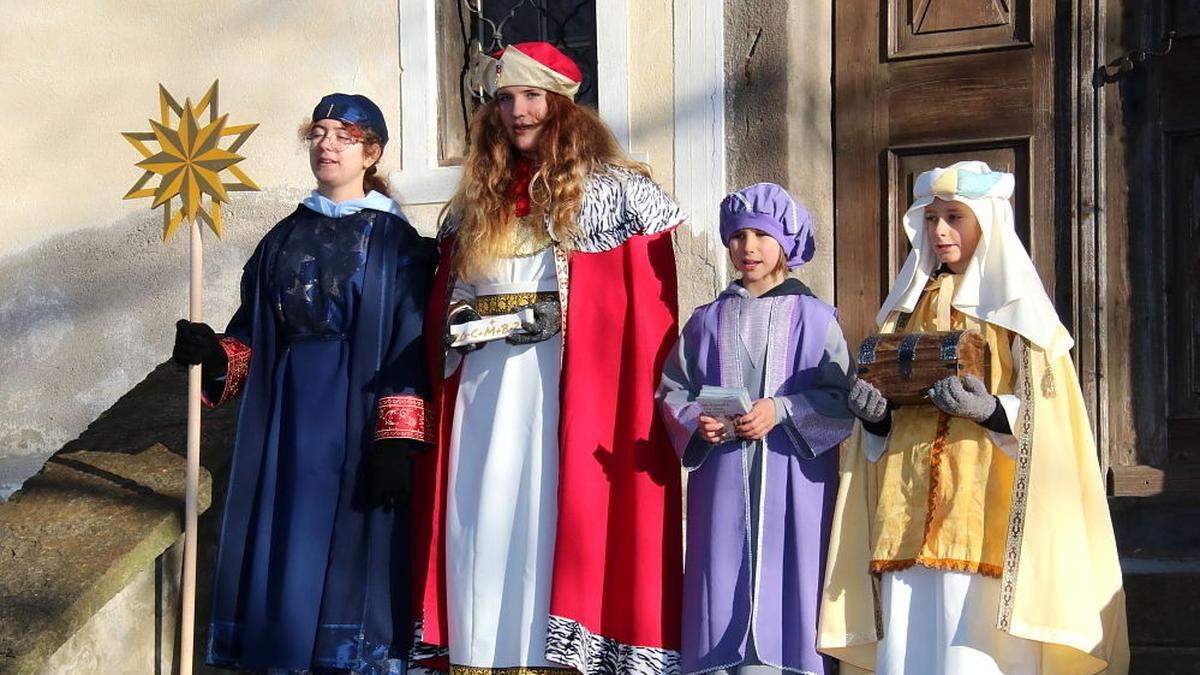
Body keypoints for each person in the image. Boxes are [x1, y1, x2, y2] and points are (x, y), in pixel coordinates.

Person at [409, 41, 687, 675]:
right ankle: (482, 655)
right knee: (479, 513)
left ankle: (553, 654)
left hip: (558, 390)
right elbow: (447, 299)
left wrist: (566, 321)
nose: (517, 111)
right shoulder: (473, 201)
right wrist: (460, 325)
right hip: (482, 388)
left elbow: (640, 317)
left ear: (563, 105)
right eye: (505, 99)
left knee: (547, 513)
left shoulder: (617, 195)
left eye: (531, 96)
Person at [817, 161, 1128, 674]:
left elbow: (1054, 426)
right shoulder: (904, 312)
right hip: (907, 523)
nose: (939, 232)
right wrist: (873, 422)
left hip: (988, 521)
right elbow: (886, 424)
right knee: (910, 653)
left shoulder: (1021, 315)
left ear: (986, 221)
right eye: (931, 218)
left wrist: (992, 411)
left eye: (954, 217)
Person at [171, 93, 435, 673]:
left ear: (372, 153)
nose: (328, 145)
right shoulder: (281, 240)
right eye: (319, 133)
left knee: (347, 551)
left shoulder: (400, 245)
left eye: (344, 135)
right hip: (285, 416)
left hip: (360, 414)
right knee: (286, 539)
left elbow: (411, 345)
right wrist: (212, 353)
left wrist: (398, 439)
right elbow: (250, 339)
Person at [658, 183, 855, 675]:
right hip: (722, 481)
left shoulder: (816, 319)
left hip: (795, 484)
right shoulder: (705, 322)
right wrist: (696, 424)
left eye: (762, 236)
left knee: (794, 581)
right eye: (738, 236)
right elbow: (673, 389)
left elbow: (843, 397)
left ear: (786, 243)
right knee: (720, 577)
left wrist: (783, 409)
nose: (748, 248)